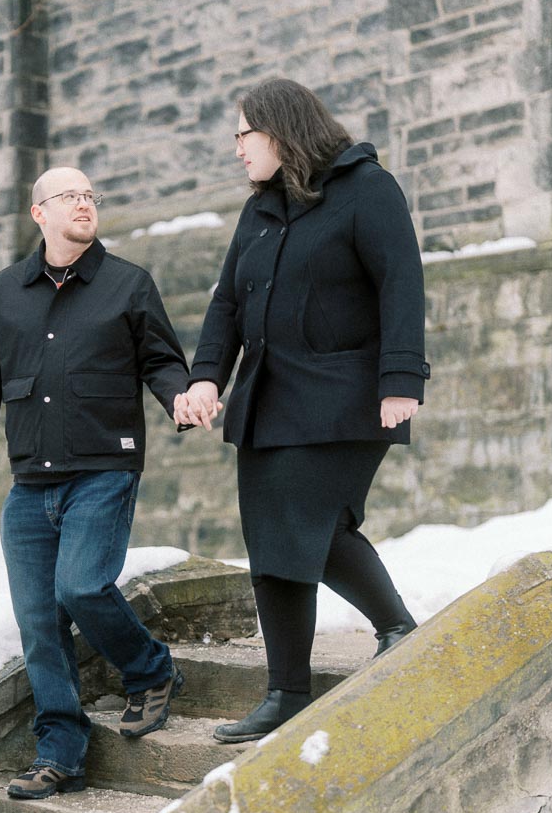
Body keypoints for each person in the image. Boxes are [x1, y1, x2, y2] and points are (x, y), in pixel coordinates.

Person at [175, 78, 430, 743]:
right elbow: (226, 302)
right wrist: (206, 378)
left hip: (349, 395)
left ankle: (393, 629)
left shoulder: (366, 189)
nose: (235, 150)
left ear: (279, 129)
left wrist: (401, 379)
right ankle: (290, 688)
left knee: (305, 523)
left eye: (243, 134)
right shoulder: (261, 210)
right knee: (277, 540)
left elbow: (401, 279)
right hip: (269, 397)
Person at [0, 166, 190, 798]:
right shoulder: (8, 290)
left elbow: (163, 361)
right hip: (31, 483)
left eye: (90, 197)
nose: (84, 205)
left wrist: (180, 398)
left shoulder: (128, 284)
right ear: (39, 213)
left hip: (104, 470)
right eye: (70, 197)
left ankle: (150, 671)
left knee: (82, 586)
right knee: (39, 622)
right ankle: (59, 751)